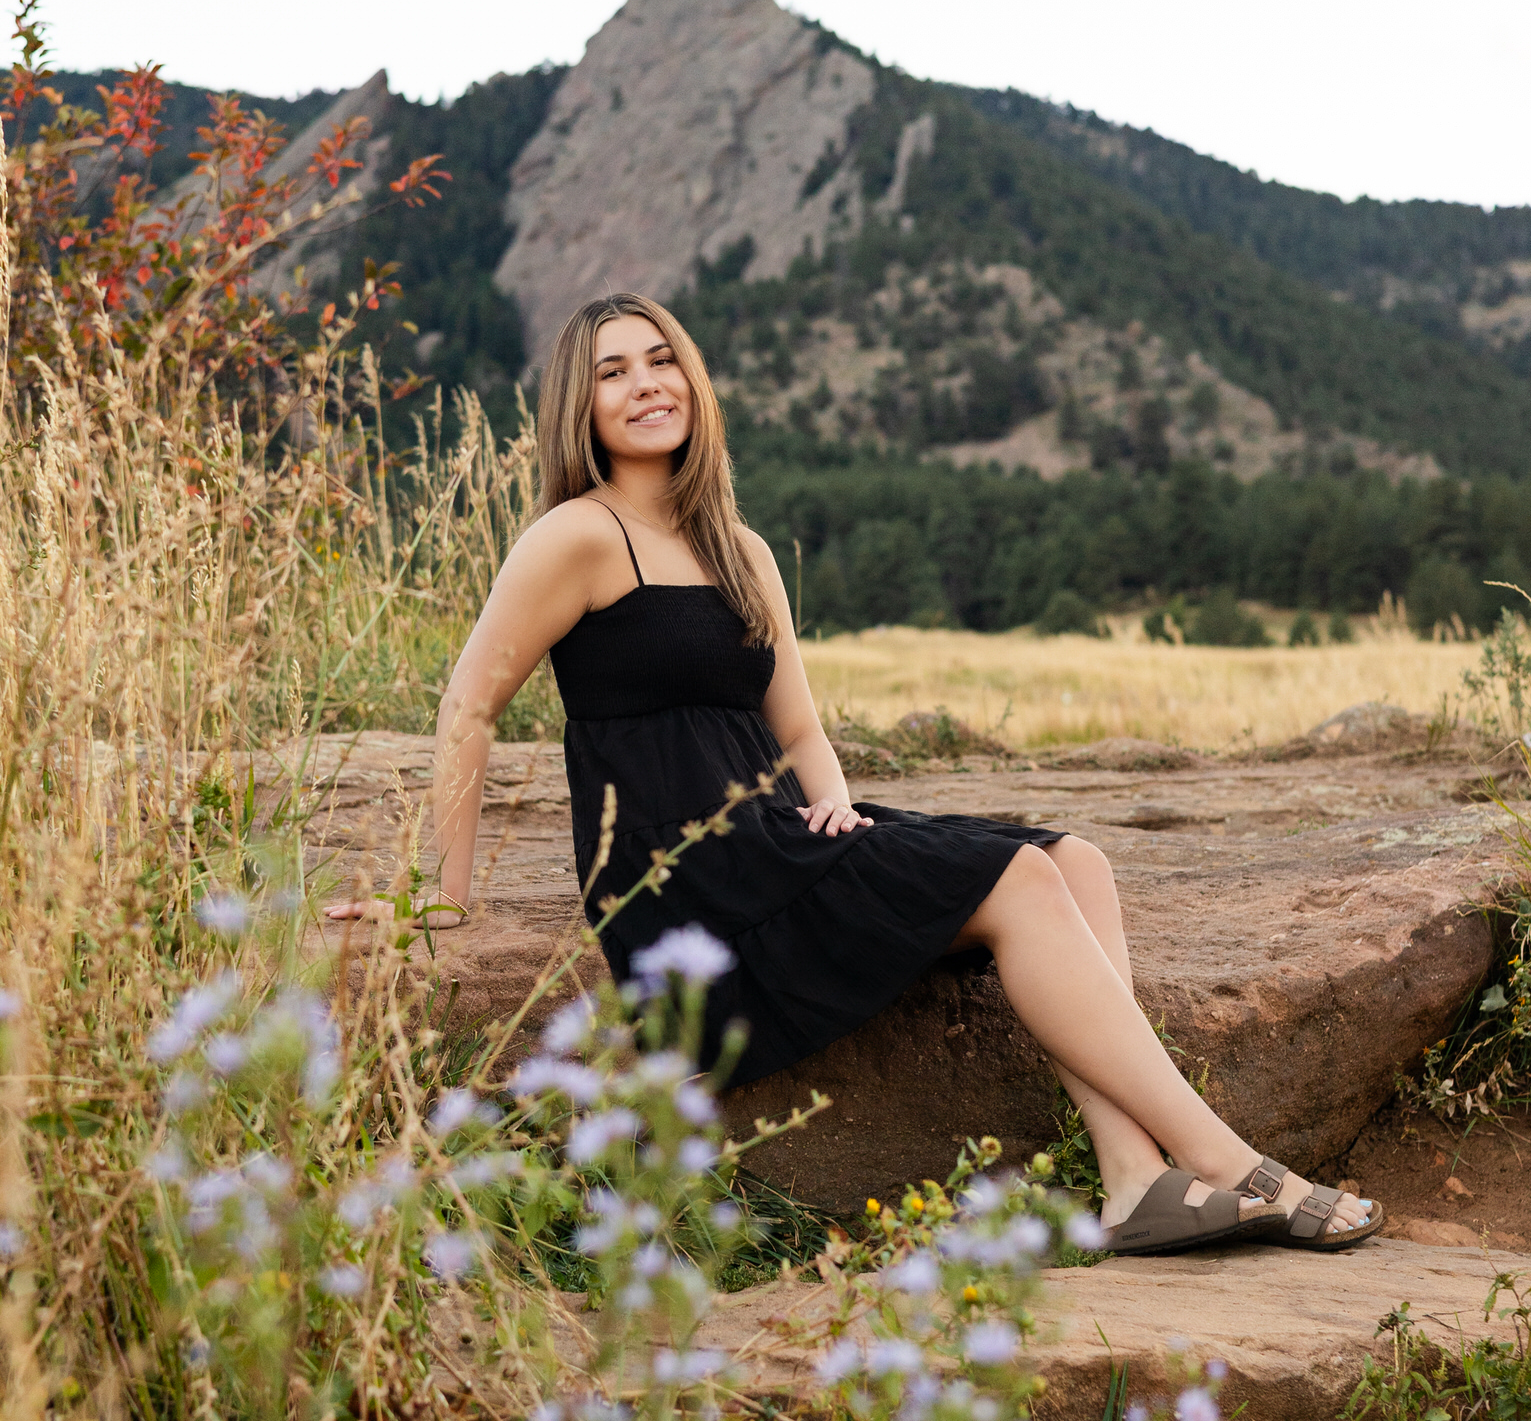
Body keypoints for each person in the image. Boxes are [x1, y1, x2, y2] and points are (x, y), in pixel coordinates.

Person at [333, 291, 1381, 1258]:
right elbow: (468, 702)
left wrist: (830, 801)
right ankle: (1226, 1161)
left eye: (664, 360)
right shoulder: (578, 535)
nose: (647, 383)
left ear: (695, 382)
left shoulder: (738, 548)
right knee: (1016, 882)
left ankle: (1129, 1178)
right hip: (690, 881)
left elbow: (798, 727)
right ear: (580, 403)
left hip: (779, 841)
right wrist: (441, 898)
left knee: (1079, 862)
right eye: (614, 371)